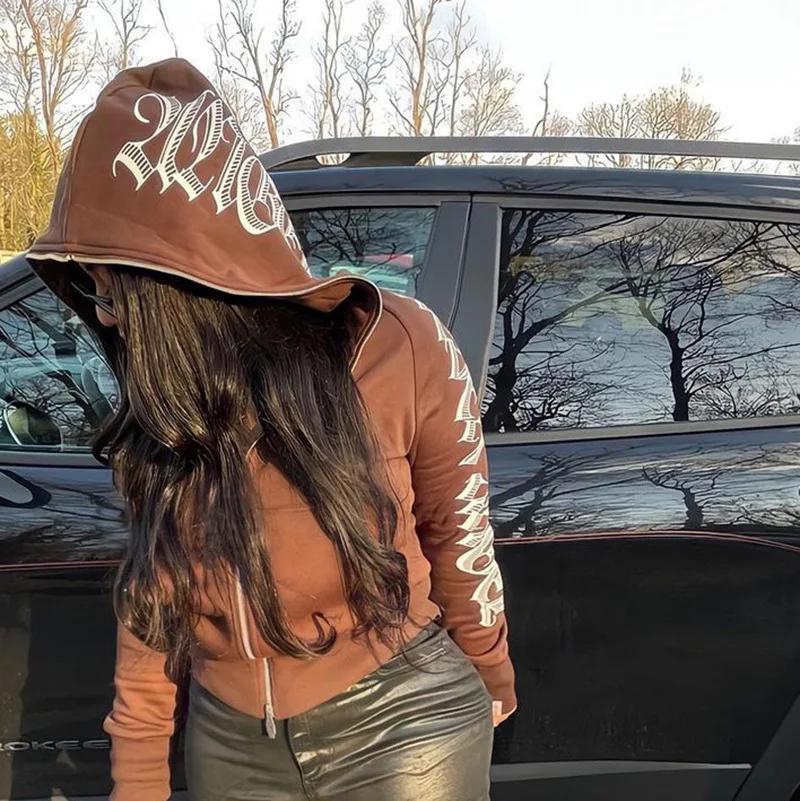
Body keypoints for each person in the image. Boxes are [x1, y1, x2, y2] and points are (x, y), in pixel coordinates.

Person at [27, 59, 516, 801]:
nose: (104, 317)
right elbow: (151, 617)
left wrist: (490, 670)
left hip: (401, 725)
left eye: (109, 289)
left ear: (178, 289)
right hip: (230, 744)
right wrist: (139, 779)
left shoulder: (399, 342)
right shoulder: (165, 415)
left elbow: (459, 532)